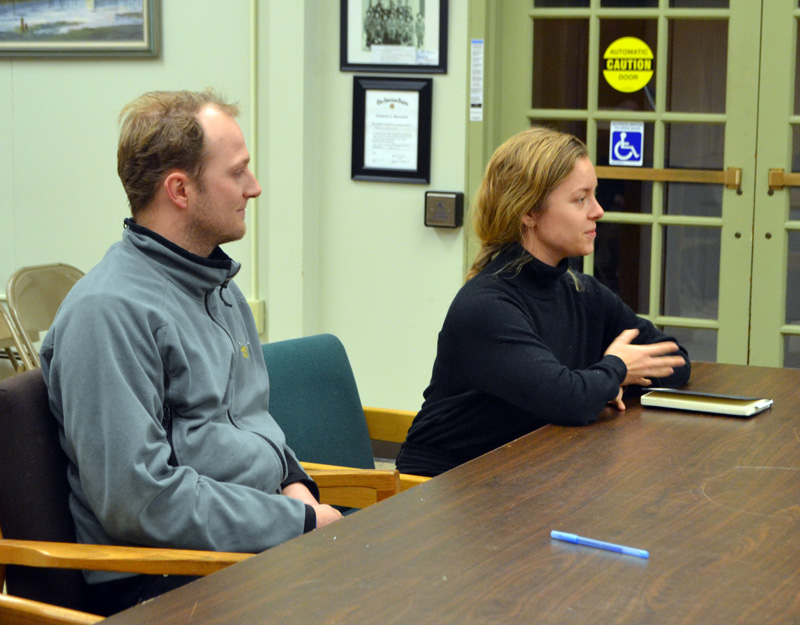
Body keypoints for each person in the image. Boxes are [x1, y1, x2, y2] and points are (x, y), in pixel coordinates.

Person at [40, 89, 342, 615]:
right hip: (166, 577)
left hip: (249, 543)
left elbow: (251, 425)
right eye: (237, 173)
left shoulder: (215, 283)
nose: (255, 188)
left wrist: (295, 486)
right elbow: (140, 502)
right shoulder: (108, 312)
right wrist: (296, 521)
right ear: (179, 189)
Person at [396, 126, 691, 478]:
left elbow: (674, 360)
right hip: (446, 488)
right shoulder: (486, 306)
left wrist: (603, 381)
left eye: (594, 196)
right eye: (580, 199)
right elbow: (569, 400)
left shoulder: (582, 291)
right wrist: (613, 372)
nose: (598, 211)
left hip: (525, 474)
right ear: (529, 212)